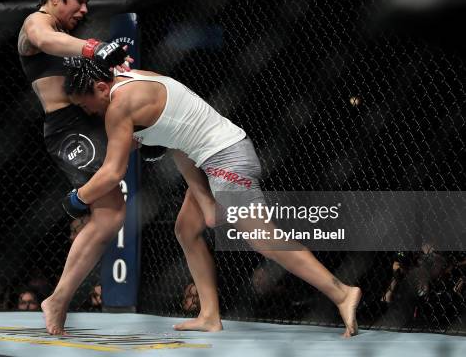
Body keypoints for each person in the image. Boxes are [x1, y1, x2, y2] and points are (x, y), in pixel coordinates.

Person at [61, 58, 363, 337]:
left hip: (226, 159)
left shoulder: (119, 106)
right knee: (186, 229)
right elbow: (178, 141)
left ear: (100, 87)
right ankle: (209, 315)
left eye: (85, 105)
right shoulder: (129, 77)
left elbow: (114, 172)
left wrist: (78, 198)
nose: (88, 112)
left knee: (262, 237)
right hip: (213, 157)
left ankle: (342, 293)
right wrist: (204, 199)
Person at [17, 0, 132, 335]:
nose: (83, 10)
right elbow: (46, 41)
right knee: (111, 212)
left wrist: (110, 63)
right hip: (68, 129)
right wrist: (95, 47)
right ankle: (59, 298)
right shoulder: (36, 24)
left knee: (112, 214)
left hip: (89, 120)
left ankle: (59, 297)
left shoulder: (69, 37)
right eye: (78, 0)